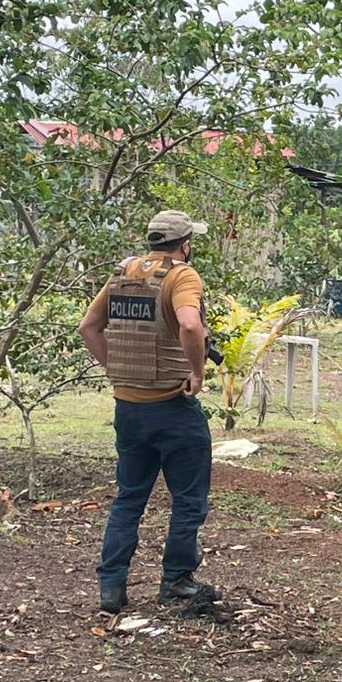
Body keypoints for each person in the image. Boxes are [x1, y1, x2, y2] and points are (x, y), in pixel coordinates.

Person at [77, 210, 219, 614]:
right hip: (173, 406)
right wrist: (196, 373)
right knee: (188, 500)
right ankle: (176, 579)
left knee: (129, 498)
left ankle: (111, 588)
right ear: (185, 244)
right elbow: (191, 326)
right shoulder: (182, 276)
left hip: (128, 407)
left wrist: (116, 370)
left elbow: (89, 326)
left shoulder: (124, 273)